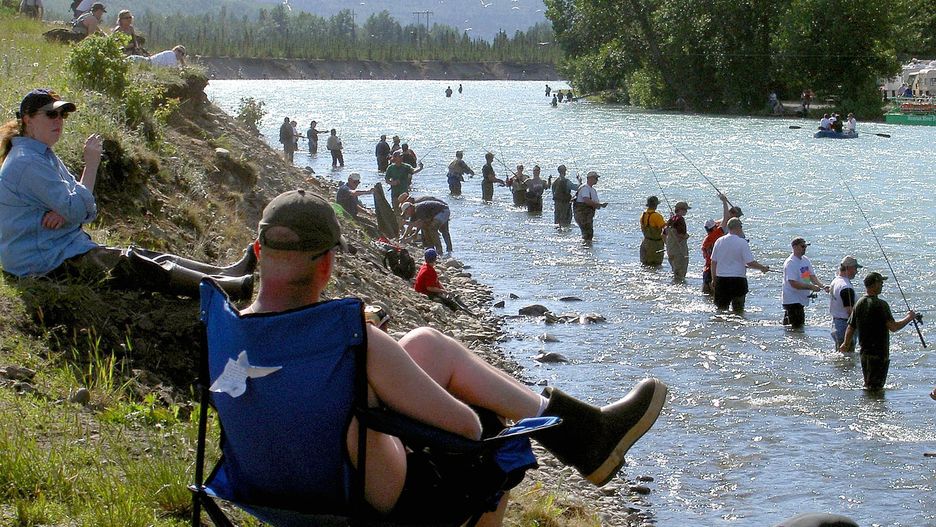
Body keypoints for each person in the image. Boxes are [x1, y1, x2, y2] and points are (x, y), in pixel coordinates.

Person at [242, 188, 667, 523]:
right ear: (328, 263)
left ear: (259, 252)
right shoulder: (350, 339)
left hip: (266, 483)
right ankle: (582, 436)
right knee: (486, 424)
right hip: (357, 490)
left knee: (425, 341)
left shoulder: (231, 329)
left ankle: (583, 433)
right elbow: (462, 427)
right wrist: (383, 367)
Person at [0, 88, 255, 299]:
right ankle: (230, 288)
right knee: (134, 264)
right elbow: (81, 208)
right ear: (28, 118)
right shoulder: (28, 162)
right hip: (42, 262)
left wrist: (65, 211)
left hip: (57, 247)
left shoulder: (40, 154)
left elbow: (79, 204)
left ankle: (226, 273)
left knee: (147, 256)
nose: (58, 121)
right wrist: (91, 165)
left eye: (62, 115)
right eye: (51, 114)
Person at [839, 272, 916, 392]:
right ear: (874, 284)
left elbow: (851, 327)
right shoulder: (881, 305)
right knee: (877, 389)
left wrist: (845, 344)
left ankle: (868, 406)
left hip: (864, 353)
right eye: (881, 282)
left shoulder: (859, 303)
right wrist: (909, 318)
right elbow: (893, 327)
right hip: (879, 354)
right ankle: (873, 408)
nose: (882, 285)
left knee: (869, 385)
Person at [710, 218, 770, 311]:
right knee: (738, 310)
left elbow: (713, 262)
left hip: (721, 280)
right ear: (738, 227)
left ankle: (721, 325)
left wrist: (714, 279)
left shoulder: (719, 241)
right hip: (738, 280)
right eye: (741, 227)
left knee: (721, 309)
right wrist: (762, 268)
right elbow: (750, 262)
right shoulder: (742, 242)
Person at [781, 237, 828, 329]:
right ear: (794, 247)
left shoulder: (805, 260)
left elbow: (811, 277)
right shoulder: (790, 263)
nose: (804, 248)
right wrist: (811, 287)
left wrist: (822, 286)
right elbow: (794, 284)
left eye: (805, 246)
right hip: (792, 300)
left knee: (796, 327)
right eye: (802, 246)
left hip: (800, 300)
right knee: (797, 327)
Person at [830, 255, 862, 350]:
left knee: (841, 357)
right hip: (845, 327)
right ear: (849, 268)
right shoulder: (846, 287)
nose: (856, 271)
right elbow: (850, 312)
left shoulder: (836, 281)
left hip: (836, 324)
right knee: (848, 359)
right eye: (855, 268)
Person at [573, 171, 607, 242]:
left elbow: (595, 204)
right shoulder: (585, 188)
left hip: (588, 216)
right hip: (582, 215)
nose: (597, 180)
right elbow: (587, 201)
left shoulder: (593, 190)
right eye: (596, 178)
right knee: (588, 234)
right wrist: (600, 205)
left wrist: (599, 205)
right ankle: (585, 249)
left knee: (589, 234)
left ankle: (586, 248)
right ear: (590, 178)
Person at [664, 201, 691, 280]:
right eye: (685, 210)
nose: (686, 212)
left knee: (675, 273)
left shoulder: (671, 220)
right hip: (679, 251)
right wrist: (687, 236)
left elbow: (663, 234)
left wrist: (668, 245)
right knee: (680, 275)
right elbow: (681, 235)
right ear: (681, 210)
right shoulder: (680, 220)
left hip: (670, 251)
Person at [639, 196, 665, 266]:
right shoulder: (657, 216)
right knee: (656, 266)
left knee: (645, 265)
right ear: (656, 205)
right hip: (655, 245)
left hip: (645, 243)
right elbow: (664, 227)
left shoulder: (643, 215)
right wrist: (672, 220)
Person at [700, 219, 719, 294]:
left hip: (706, 270)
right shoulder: (716, 235)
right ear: (714, 228)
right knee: (715, 295)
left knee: (706, 295)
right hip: (714, 270)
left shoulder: (706, 240)